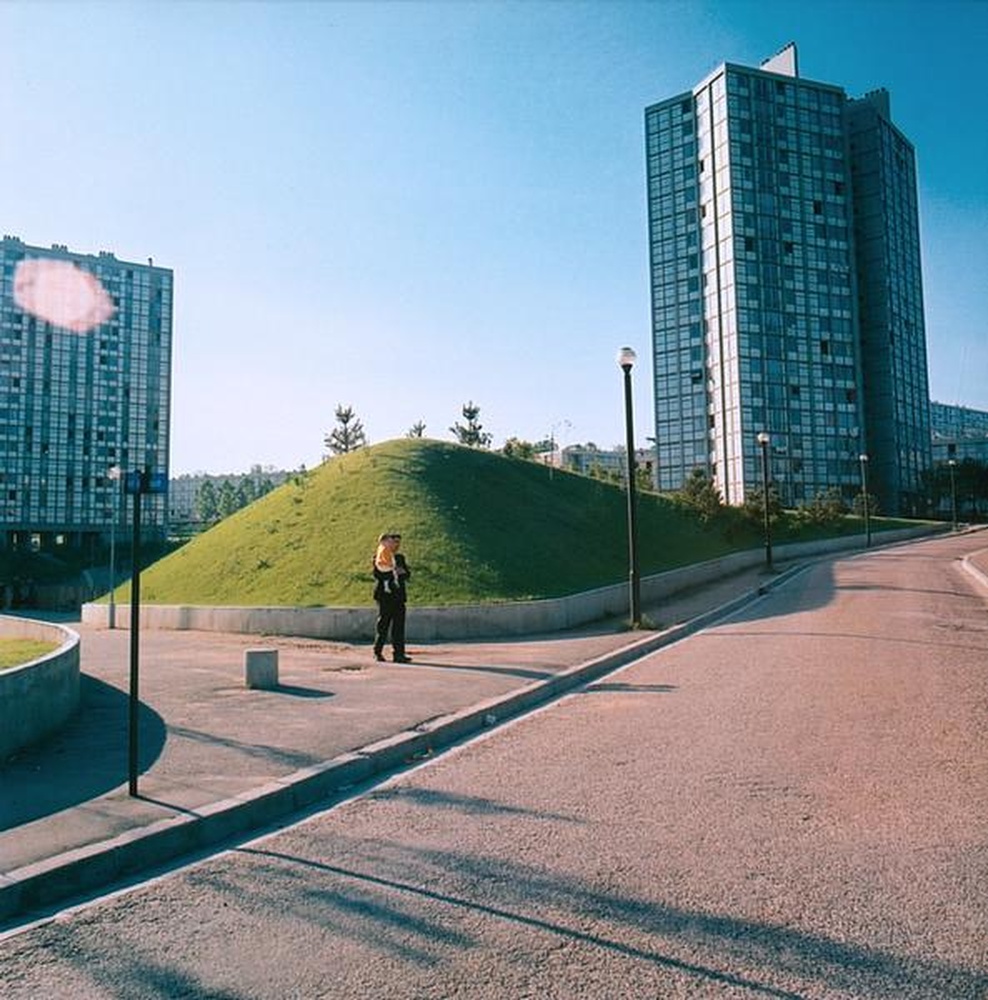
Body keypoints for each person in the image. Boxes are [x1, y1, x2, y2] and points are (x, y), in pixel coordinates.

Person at [372, 532, 412, 663]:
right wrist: (393, 571)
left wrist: (402, 572)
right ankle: (377, 652)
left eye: (398, 543)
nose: (396, 545)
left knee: (399, 627)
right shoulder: (379, 556)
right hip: (385, 597)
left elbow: (407, 575)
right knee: (383, 625)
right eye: (394, 542)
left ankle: (399, 654)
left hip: (399, 597)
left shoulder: (400, 558)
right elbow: (378, 574)